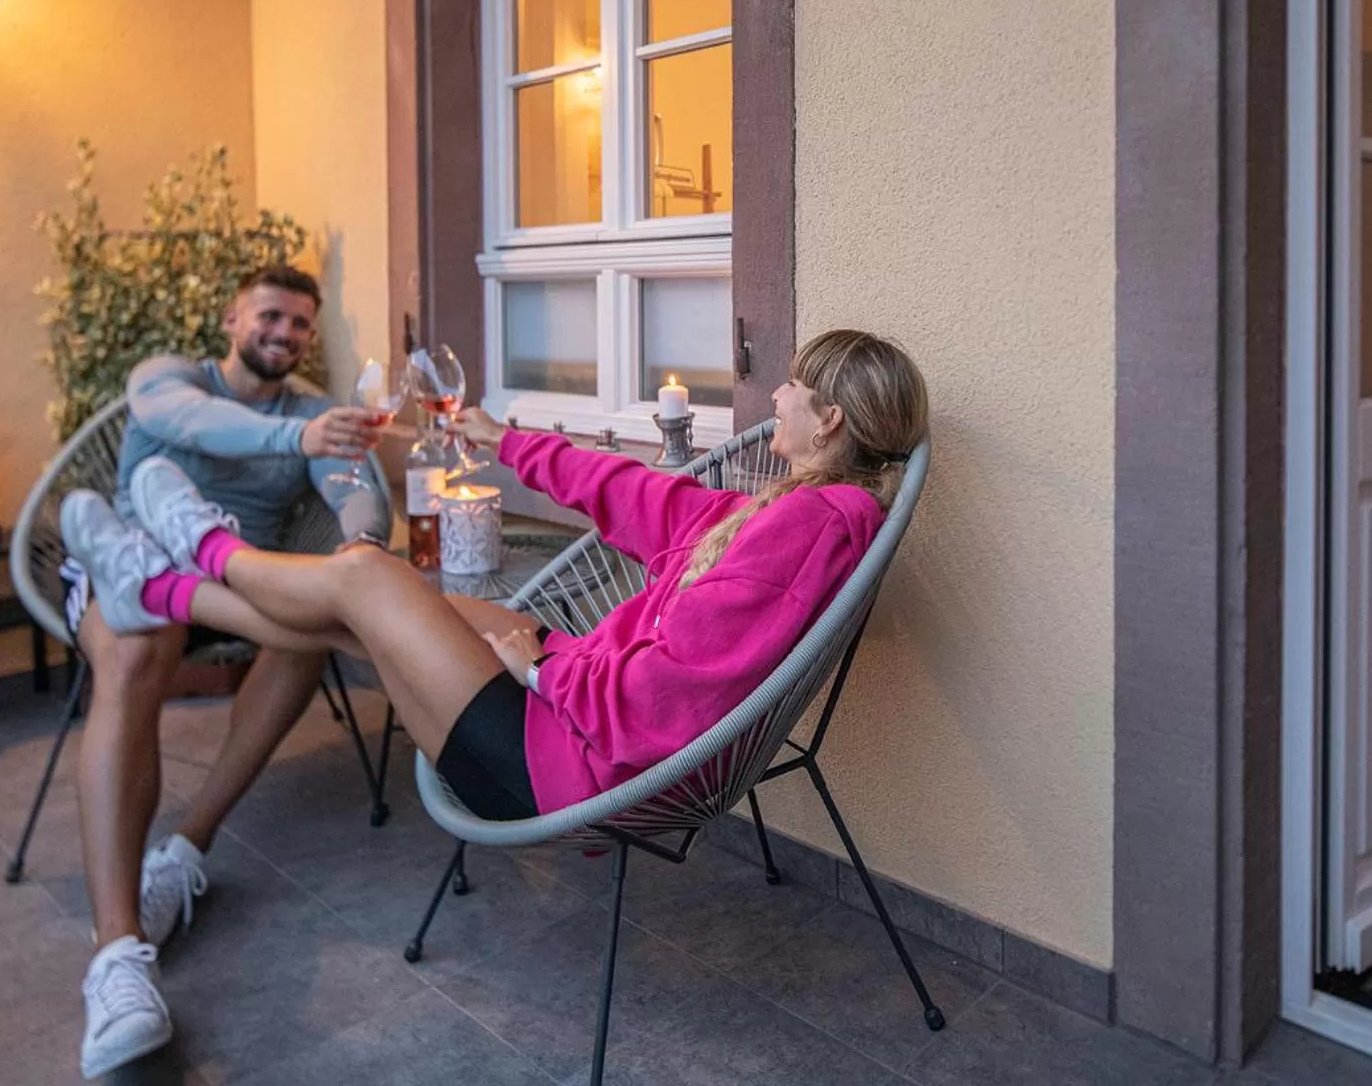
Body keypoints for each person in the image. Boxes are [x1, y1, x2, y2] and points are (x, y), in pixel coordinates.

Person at [57, 328, 927, 1074]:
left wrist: (547, 660)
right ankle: (161, 590)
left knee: (364, 576)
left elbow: (661, 698)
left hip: (568, 769)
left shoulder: (805, 526)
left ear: (832, 419)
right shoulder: (793, 510)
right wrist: (504, 440)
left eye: (795, 385)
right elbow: (646, 498)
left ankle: (197, 549)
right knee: (374, 614)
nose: (775, 391)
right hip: (573, 737)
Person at [65, 264, 390, 1079]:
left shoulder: (313, 409)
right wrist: (297, 440)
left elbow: (355, 489)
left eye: (300, 324)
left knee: (310, 625)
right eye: (271, 316)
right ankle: (117, 958)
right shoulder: (168, 380)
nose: (285, 334)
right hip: (125, 563)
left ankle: (181, 854)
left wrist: (361, 545)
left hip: (239, 576)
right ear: (232, 316)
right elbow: (194, 421)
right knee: (140, 643)